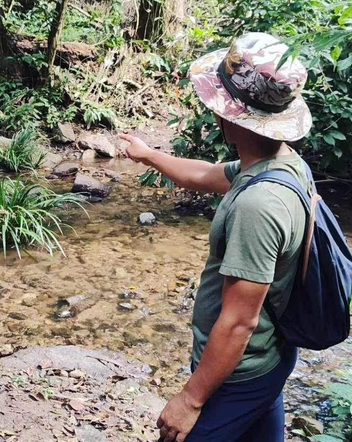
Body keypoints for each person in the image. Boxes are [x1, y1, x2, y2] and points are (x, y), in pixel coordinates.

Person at [121, 32, 313, 442]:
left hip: (237, 375)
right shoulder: (280, 164)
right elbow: (208, 175)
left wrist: (190, 400)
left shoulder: (258, 205)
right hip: (269, 358)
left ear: (230, 118)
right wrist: (148, 154)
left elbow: (239, 322)